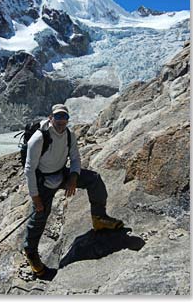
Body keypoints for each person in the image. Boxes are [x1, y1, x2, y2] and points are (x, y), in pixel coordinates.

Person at [23, 104, 124, 277]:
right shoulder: (39, 138)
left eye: (64, 117)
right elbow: (29, 169)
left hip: (61, 173)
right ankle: (31, 252)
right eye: (58, 116)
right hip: (42, 180)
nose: (61, 120)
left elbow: (75, 157)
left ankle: (99, 218)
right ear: (51, 118)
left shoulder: (69, 135)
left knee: (94, 180)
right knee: (39, 215)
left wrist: (73, 177)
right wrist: (36, 197)